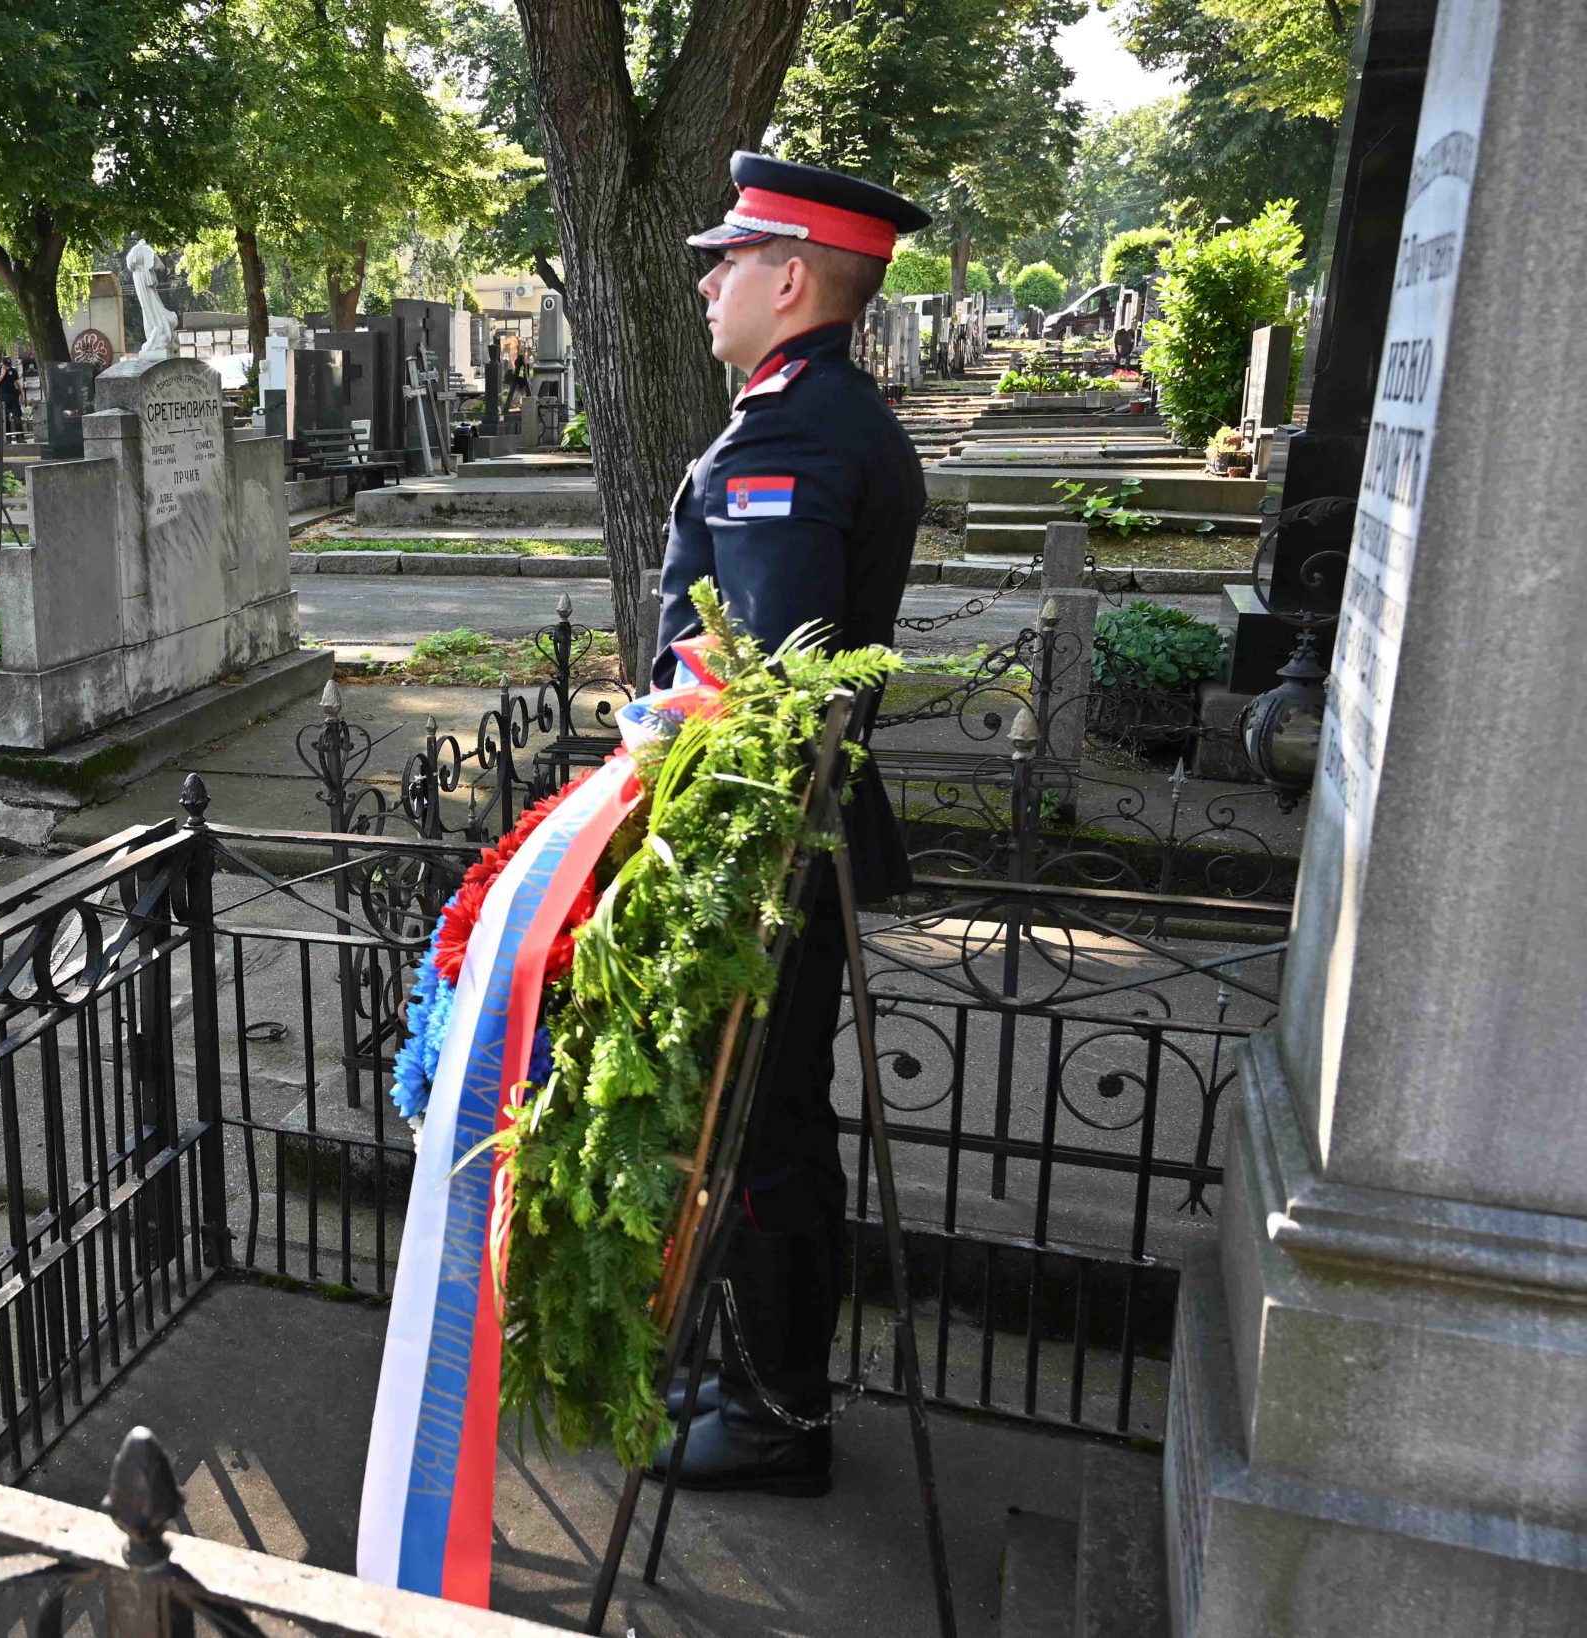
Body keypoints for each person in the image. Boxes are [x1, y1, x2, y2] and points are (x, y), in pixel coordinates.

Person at [648, 151, 930, 1495]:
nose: (710, 281)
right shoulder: (806, 414)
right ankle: (759, 1375)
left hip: (760, 845)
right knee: (767, 1121)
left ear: (793, 276)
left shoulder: (795, 433)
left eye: (730, 258)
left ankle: (776, 1414)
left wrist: (649, 777)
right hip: (782, 837)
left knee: (762, 1133)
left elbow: (757, 680)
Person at [0, 355, 23, 439]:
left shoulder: (13, 370)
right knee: (5, 418)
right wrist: (2, 374)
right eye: (6, 365)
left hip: (13, 396)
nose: (8, 367)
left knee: (17, 417)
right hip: (3, 396)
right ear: (2, 364)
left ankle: (20, 438)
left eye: (9, 365)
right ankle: (7, 439)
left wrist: (21, 395)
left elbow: (17, 383)